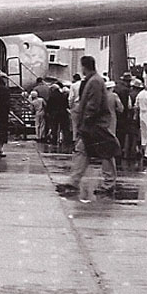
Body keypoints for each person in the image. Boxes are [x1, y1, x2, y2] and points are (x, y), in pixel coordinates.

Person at [64, 56, 118, 197]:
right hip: (95, 123)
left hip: (94, 124)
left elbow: (93, 104)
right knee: (85, 150)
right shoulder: (95, 80)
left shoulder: (94, 82)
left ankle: (106, 183)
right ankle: (75, 181)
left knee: (102, 151)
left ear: (84, 66)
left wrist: (85, 121)